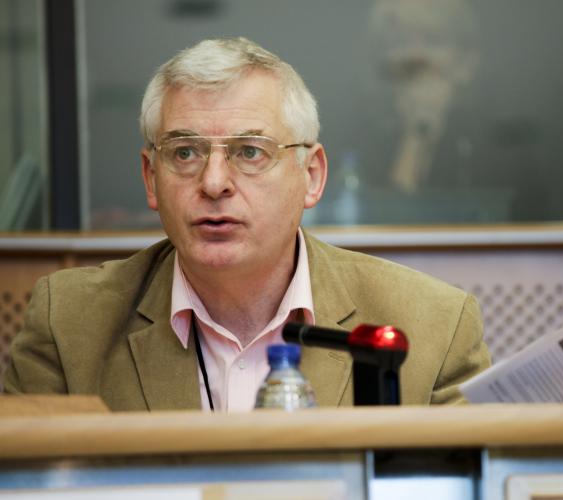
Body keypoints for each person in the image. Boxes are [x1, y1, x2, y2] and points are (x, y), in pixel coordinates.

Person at [2, 37, 491, 411]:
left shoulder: (430, 328)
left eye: (250, 152)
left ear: (312, 177)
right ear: (152, 179)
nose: (214, 182)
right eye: (185, 152)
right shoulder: (68, 325)